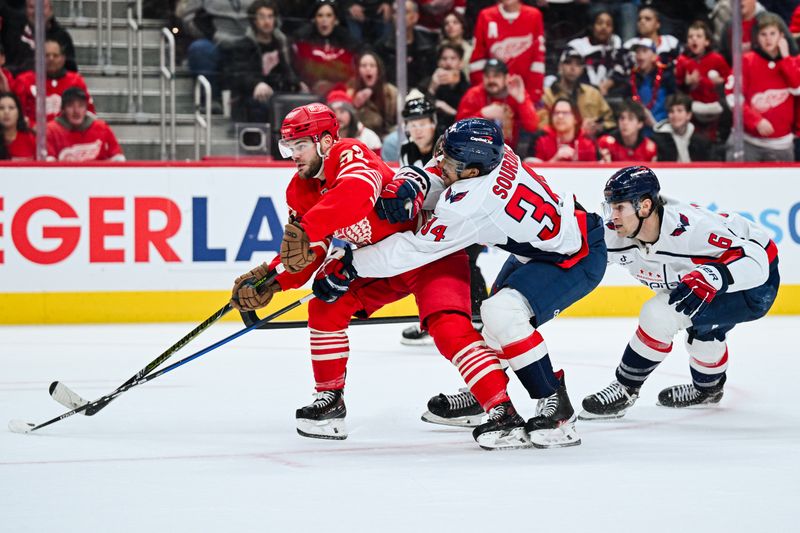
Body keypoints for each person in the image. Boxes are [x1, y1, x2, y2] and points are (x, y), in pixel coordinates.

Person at [230, 104, 520, 449]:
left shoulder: (350, 153)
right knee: (326, 304)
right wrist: (272, 280)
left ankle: (503, 413)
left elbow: (354, 197)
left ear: (325, 141)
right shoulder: (299, 190)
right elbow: (308, 252)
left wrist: (307, 230)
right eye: (288, 148)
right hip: (377, 264)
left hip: (428, 252)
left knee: (448, 329)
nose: (293, 156)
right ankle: (329, 400)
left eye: (300, 146)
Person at [315, 118, 608, 448]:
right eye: (444, 153)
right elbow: (443, 173)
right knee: (496, 323)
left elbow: (414, 249)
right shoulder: (493, 154)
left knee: (503, 314)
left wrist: (352, 265)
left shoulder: (472, 205)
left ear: (472, 170)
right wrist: (413, 181)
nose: (441, 163)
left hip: (577, 255)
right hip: (550, 245)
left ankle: (555, 405)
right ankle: (481, 395)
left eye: (451, 161)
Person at [579, 165, 779, 418]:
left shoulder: (693, 231)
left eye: (619, 207)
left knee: (659, 314)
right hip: (712, 279)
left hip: (753, 285)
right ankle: (708, 391)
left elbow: (756, 260)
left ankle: (625, 388)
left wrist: (714, 276)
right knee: (703, 335)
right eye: (609, 207)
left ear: (645, 206)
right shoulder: (616, 234)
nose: (612, 217)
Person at [725, 13, 800, 162]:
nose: (768, 39)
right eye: (763, 34)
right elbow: (733, 96)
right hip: (747, 142)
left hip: (782, 145)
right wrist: (755, 120)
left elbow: (797, 88)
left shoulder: (794, 62)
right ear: (757, 38)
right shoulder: (746, 61)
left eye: (773, 33)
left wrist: (786, 59)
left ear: (781, 36)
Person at [220, 0, 302, 124]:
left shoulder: (283, 44)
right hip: (250, 99)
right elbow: (238, 75)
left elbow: (291, 71)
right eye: (262, 17)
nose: (267, 21)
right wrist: (256, 84)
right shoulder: (243, 45)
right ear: (254, 20)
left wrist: (298, 83)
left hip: (280, 95)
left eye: (270, 16)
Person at [469, 0, 546, 103]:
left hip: (523, 93)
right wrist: (484, 93)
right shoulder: (486, 15)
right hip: (492, 93)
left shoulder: (534, 15)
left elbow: (538, 60)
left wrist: (530, 96)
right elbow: (477, 60)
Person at [179, 0, 255, 101]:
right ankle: (210, 99)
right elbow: (189, 18)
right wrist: (211, 33)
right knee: (200, 49)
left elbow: (274, 13)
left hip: (253, 41)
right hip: (215, 41)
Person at [456, 58, 538, 151]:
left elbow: (532, 126)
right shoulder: (473, 94)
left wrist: (522, 100)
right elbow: (458, 129)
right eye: (487, 76)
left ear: (506, 78)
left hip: (508, 152)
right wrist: (482, 114)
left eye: (496, 76)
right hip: (476, 150)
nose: (491, 80)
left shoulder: (514, 93)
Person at [13, 38, 94, 127]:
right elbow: (16, 114)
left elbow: (89, 113)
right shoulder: (24, 80)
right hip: (33, 135)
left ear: (63, 59)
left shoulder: (76, 81)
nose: (51, 59)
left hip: (68, 135)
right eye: (46, 55)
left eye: (55, 55)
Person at [538, 48, 615, 138]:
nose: (573, 68)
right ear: (560, 66)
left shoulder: (593, 94)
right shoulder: (546, 95)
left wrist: (598, 127)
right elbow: (540, 124)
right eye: (568, 63)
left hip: (589, 143)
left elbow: (610, 121)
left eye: (578, 64)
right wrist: (573, 128)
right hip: (556, 143)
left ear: (582, 69)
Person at [674, 20, 730, 142]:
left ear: (707, 41)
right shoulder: (682, 61)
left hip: (716, 110)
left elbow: (730, 80)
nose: (694, 39)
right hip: (693, 111)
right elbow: (677, 87)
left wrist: (720, 82)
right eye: (690, 37)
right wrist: (686, 84)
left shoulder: (717, 59)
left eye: (699, 36)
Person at [292, 0, 357, 96]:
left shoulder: (347, 40)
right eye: (320, 15)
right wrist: (298, 83)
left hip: (339, 93)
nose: (324, 20)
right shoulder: (302, 39)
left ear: (336, 20)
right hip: (308, 93)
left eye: (329, 15)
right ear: (314, 19)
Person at [45, 87, 125, 162]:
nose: (76, 111)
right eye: (70, 106)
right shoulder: (52, 130)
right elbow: (48, 164)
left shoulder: (101, 128)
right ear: (63, 109)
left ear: (86, 108)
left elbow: (118, 158)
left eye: (81, 106)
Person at [1, 0, 77, 75]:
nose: (37, 12)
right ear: (25, 9)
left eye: (42, 7)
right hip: (15, 83)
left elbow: (71, 70)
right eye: (32, 7)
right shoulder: (12, 31)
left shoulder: (62, 37)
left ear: (51, 10)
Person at [375, 0, 437, 89]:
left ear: (415, 17)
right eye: (396, 12)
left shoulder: (427, 46)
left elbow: (430, 75)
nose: (399, 16)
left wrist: (417, 92)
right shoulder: (382, 47)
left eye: (404, 12)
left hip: (420, 95)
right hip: (392, 95)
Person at [616, 37, 676, 126]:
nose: (639, 55)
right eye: (637, 52)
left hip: (663, 127)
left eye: (644, 51)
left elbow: (673, 102)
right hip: (638, 128)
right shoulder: (631, 79)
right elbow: (626, 104)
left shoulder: (666, 76)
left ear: (654, 56)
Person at [567, 10, 625, 95]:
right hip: (580, 92)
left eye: (608, 24)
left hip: (609, 93)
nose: (604, 27)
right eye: (599, 23)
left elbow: (623, 66)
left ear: (613, 29)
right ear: (592, 26)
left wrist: (607, 84)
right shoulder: (577, 45)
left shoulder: (616, 43)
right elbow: (570, 71)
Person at [652, 93, 717, 162]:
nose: (675, 115)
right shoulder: (657, 140)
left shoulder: (701, 141)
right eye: (671, 111)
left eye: (679, 111)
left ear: (688, 115)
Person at [529, 97, 598, 162]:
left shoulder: (588, 142)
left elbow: (596, 171)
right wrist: (554, 160)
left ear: (576, 118)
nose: (560, 116)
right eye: (556, 113)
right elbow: (532, 171)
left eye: (565, 113)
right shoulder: (540, 140)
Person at [419, 43, 470, 131]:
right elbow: (419, 111)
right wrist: (432, 88)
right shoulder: (427, 82)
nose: (448, 62)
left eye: (453, 58)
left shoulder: (468, 87)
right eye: (444, 58)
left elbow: (470, 119)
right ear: (438, 62)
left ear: (461, 63)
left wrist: (451, 111)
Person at [347, 50, 398, 137]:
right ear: (358, 70)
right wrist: (355, 106)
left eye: (372, 65)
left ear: (378, 70)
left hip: (385, 138)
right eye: (364, 65)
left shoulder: (391, 92)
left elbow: (398, 121)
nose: (368, 68)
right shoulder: (350, 92)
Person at [326, 89, 382, 156]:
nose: (338, 116)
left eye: (342, 111)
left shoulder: (369, 137)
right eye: (333, 112)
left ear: (351, 114)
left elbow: (378, 164)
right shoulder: (323, 139)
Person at [0, 90, 35, 160]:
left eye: (11, 108)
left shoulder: (31, 139)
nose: (6, 112)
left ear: (19, 113)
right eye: (1, 108)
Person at [439, 11, 473, 78]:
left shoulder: (470, 50)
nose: (450, 26)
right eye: (446, 23)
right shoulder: (438, 49)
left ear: (462, 27)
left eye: (455, 22)